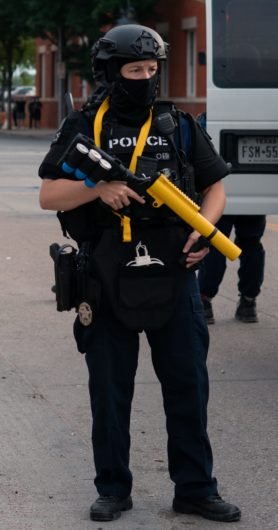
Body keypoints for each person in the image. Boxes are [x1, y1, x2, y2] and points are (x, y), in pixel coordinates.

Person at [38, 24, 241, 523]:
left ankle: (196, 487)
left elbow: (216, 186)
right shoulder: (85, 125)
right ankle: (113, 488)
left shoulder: (177, 123)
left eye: (152, 70)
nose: (146, 79)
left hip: (173, 271)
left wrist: (205, 231)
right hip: (105, 276)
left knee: (188, 386)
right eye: (135, 70)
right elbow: (49, 194)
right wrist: (98, 187)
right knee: (110, 390)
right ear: (111, 73)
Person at [196, 114, 266, 324]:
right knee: (252, 244)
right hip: (252, 190)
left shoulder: (210, 119)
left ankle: (205, 301)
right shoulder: (261, 118)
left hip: (218, 192)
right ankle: (248, 303)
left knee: (216, 244)